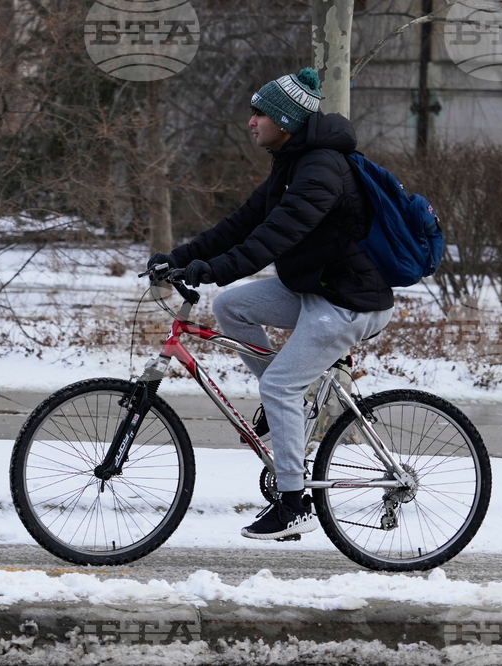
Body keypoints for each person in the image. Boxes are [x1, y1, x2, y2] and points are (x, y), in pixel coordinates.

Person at [147, 67, 394, 541]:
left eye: (259, 113)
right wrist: (180, 258)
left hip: (348, 301)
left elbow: (272, 237)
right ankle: (294, 413)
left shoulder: (321, 169)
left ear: (285, 120)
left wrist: (213, 269)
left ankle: (293, 503)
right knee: (232, 307)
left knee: (279, 385)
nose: (250, 121)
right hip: (317, 290)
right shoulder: (292, 161)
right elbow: (241, 223)